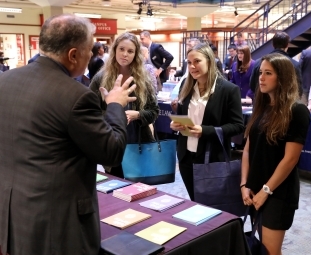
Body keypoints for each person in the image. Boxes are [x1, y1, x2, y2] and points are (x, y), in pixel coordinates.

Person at [0, 14, 137, 255]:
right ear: (73, 54)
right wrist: (115, 105)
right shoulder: (76, 95)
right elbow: (112, 152)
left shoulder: (5, 81)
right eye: (89, 51)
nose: (92, 56)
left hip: (13, 211)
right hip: (57, 222)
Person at [241, 53, 311, 255]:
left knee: (270, 251)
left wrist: (266, 191)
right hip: (255, 186)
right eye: (261, 72)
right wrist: (244, 184)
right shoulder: (261, 107)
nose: (261, 78)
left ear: (282, 77)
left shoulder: (297, 111)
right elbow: (247, 150)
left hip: (278, 191)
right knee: (261, 247)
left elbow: (290, 159)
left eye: (268, 73)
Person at [170, 43, 244, 200]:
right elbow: (184, 114)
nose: (192, 66)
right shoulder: (186, 85)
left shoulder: (229, 90)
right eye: (189, 63)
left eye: (197, 61)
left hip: (211, 158)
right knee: (194, 202)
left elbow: (238, 126)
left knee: (212, 204)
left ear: (209, 61)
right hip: (186, 156)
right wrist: (176, 125)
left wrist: (205, 130)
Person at [90, 32, 159, 177]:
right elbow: (90, 112)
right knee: (117, 188)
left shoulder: (143, 79)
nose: (125, 54)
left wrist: (138, 115)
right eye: (121, 49)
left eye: (130, 51)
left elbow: (154, 112)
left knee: (140, 189)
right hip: (112, 144)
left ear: (136, 54)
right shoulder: (100, 79)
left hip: (139, 143)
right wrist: (113, 112)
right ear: (114, 50)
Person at [250, 32, 303, 98]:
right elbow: (298, 90)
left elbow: (252, 85)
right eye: (261, 73)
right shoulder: (294, 64)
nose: (262, 77)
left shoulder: (259, 62)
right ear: (287, 45)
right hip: (286, 103)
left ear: (273, 44)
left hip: (261, 102)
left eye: (268, 73)